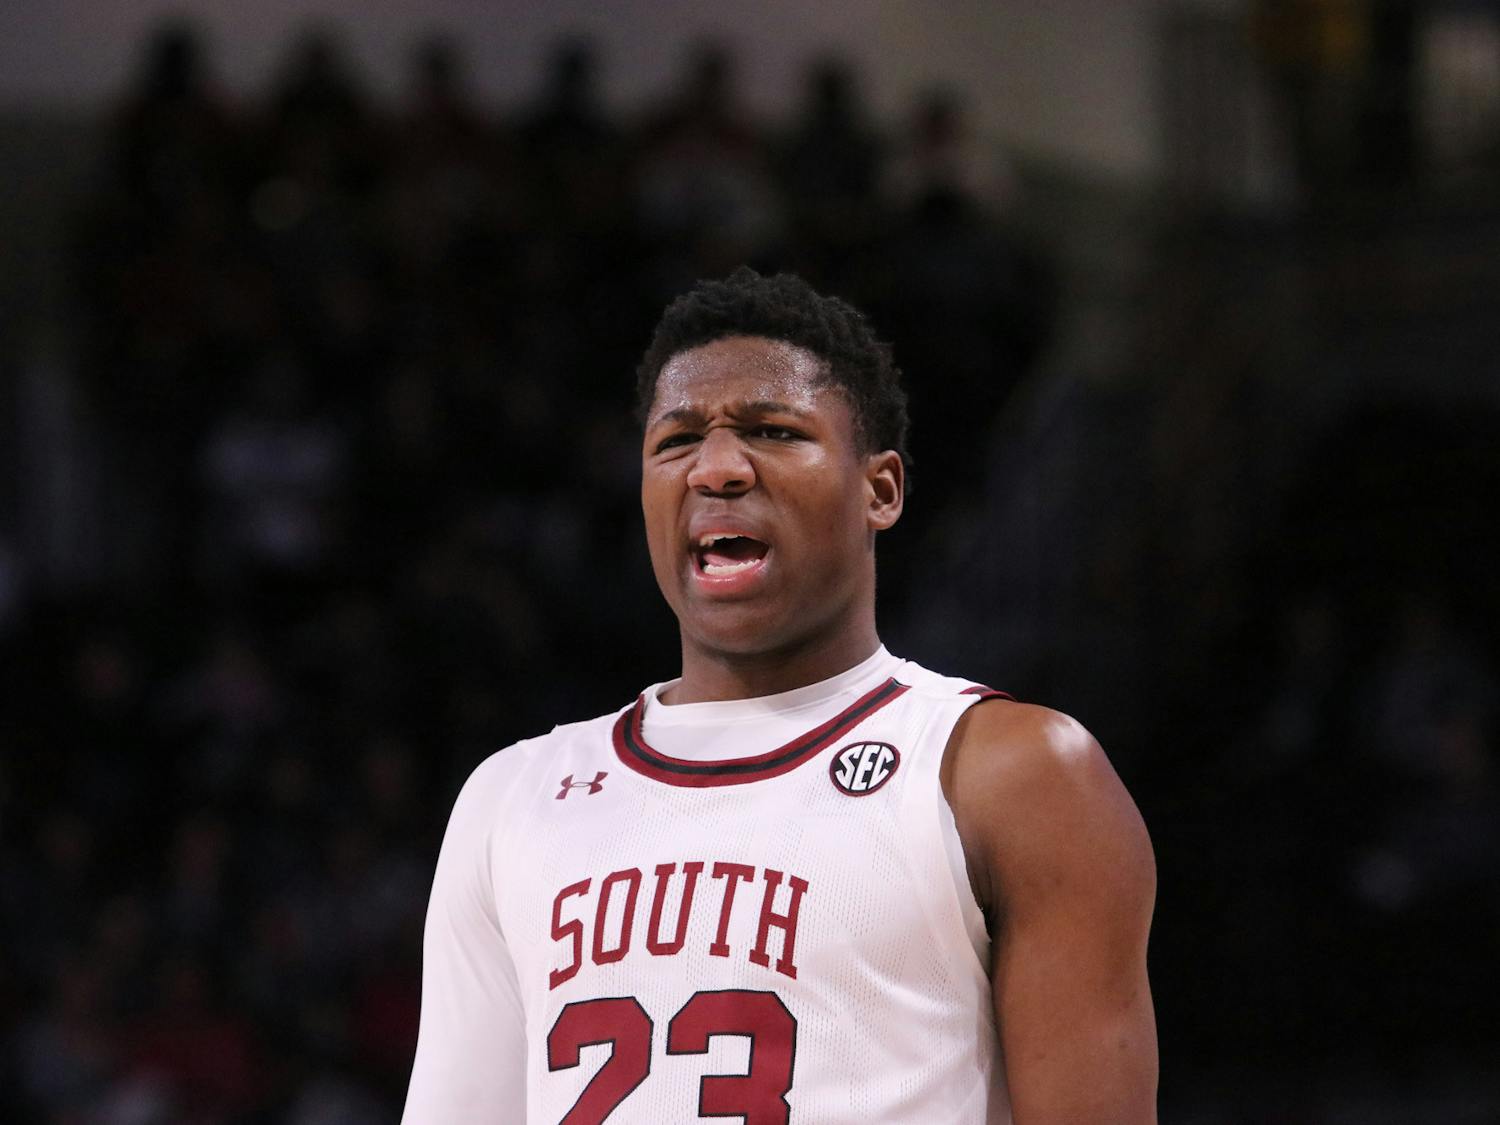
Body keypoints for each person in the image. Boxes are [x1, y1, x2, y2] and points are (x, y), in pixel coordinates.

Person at [401, 268, 1157, 1123]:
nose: (717, 467)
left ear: (881, 489)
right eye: (676, 441)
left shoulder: (1010, 774)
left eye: (771, 429)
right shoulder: (512, 797)